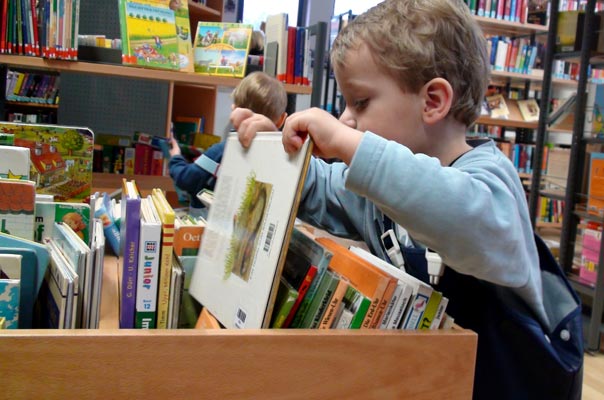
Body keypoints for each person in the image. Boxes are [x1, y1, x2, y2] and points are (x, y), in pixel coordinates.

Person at [231, 1, 581, 399]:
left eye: (360, 102)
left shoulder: (490, 178)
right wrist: (277, 150)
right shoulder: (374, 186)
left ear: (432, 101)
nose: (346, 119)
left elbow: (465, 220)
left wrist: (351, 145)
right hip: (426, 381)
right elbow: (322, 186)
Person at [168, 71, 288, 217]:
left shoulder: (220, 151)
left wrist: (176, 158)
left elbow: (186, 179)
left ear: (234, 110)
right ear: (282, 120)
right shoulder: (281, 160)